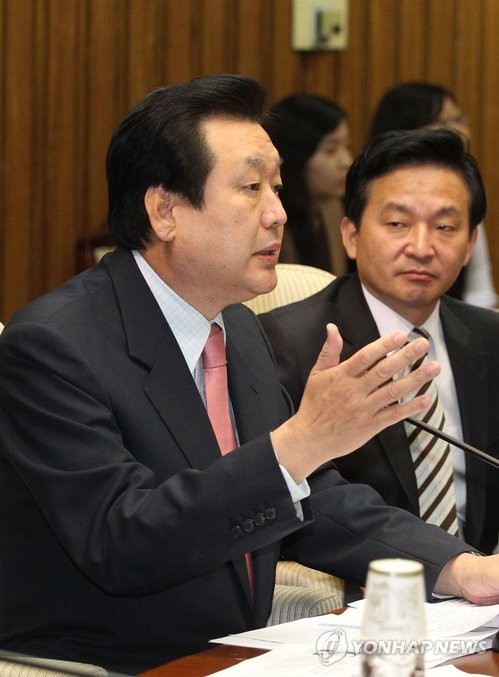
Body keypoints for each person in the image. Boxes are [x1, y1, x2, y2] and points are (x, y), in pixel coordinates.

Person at [0, 76, 497, 675]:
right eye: (251, 188)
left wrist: (461, 568)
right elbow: (121, 541)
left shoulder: (235, 325)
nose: (279, 214)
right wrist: (301, 442)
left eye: (278, 188)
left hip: (235, 652)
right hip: (101, 664)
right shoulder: (53, 345)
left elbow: (311, 496)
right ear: (165, 211)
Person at [260, 127, 499, 558]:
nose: (421, 247)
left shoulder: (490, 338)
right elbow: (304, 504)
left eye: (445, 227)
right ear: (351, 235)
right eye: (397, 224)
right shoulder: (286, 343)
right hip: (365, 584)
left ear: (470, 245)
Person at [369, 81, 497, 308]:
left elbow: (480, 291)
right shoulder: (370, 191)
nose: (460, 132)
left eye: (459, 119)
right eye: (397, 224)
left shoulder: (462, 193)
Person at [268, 92, 353, 274]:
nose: (346, 161)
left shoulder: (334, 208)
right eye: (331, 150)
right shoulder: (271, 216)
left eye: (347, 146)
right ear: (297, 157)